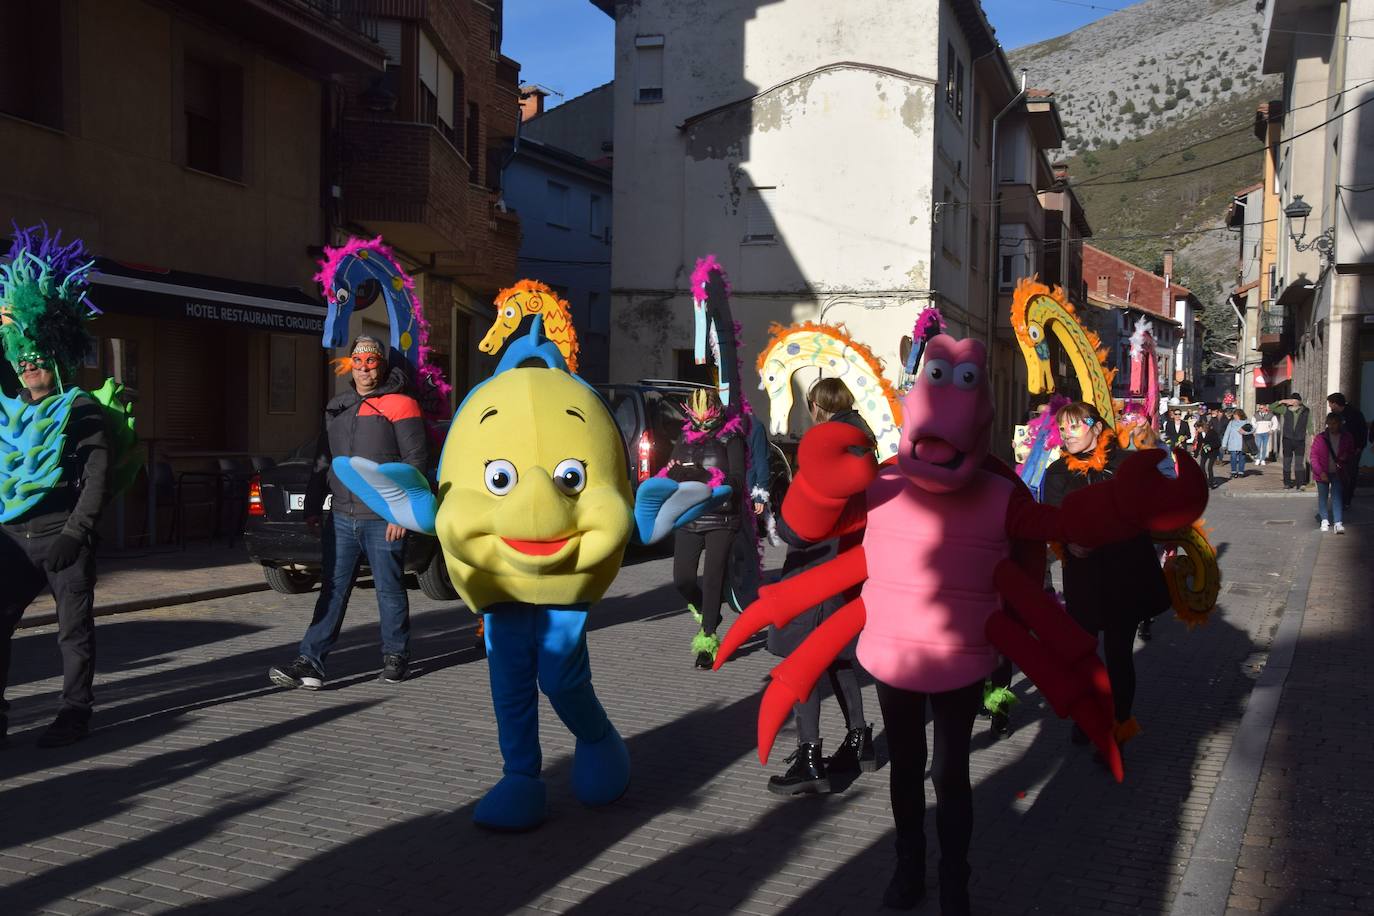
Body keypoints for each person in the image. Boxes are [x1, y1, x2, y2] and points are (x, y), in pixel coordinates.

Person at [0, 226, 113, 749]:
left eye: (39, 359)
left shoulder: (81, 407)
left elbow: (97, 476)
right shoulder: (11, 411)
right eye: (24, 360)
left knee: (73, 631)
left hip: (62, 534)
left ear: (57, 358)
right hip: (12, 537)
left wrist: (77, 531)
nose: (31, 368)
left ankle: (75, 712)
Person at [268, 336, 427, 690]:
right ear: (350, 364)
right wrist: (312, 505)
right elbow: (324, 460)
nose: (365, 368)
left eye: (372, 361)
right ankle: (310, 661)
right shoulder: (337, 406)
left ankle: (396, 655)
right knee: (333, 591)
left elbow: (415, 461)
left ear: (381, 365)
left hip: (383, 517)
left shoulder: (401, 404)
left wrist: (400, 513)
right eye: (358, 361)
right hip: (340, 516)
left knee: (388, 588)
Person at [766, 378, 876, 795]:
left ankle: (810, 759)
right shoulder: (863, 442)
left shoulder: (827, 446)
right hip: (851, 566)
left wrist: (779, 522)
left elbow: (807, 523)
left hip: (817, 569)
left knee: (802, 660)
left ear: (816, 406)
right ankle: (859, 740)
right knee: (839, 656)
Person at [1043, 402, 1172, 750]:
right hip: (1083, 578)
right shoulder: (1056, 473)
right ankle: (1088, 718)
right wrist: (1067, 542)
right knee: (1084, 654)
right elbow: (1054, 518)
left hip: (1123, 575)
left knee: (1118, 654)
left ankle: (1118, 724)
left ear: (1097, 428)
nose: (1068, 433)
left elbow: (1151, 508)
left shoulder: (1126, 465)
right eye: (1063, 427)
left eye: (1075, 426)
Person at [663, 388, 746, 668]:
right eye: (695, 414)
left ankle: (707, 638)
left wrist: (708, 478)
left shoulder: (730, 436)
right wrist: (674, 473)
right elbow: (670, 469)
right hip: (689, 516)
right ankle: (707, 611)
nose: (701, 420)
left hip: (720, 517)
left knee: (713, 579)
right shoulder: (685, 435)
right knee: (682, 579)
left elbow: (736, 480)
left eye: (706, 413)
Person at [1311, 411, 1354, 534]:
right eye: (1329, 424)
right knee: (1323, 497)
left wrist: (1346, 456)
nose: (1331, 426)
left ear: (1340, 424)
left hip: (1338, 472)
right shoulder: (1320, 438)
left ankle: (1338, 522)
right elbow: (1314, 457)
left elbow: (1351, 452)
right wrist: (1320, 472)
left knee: (1337, 497)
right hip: (1322, 472)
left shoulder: (1347, 437)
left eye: (1334, 424)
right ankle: (1324, 520)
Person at [1326, 393, 1367, 510]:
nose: (1330, 407)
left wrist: (1359, 447)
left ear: (1335, 403)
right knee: (1338, 475)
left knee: (1350, 475)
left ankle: (1347, 499)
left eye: (1330, 404)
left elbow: (1362, 431)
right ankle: (1339, 498)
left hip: (1353, 451)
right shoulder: (1334, 416)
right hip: (1336, 451)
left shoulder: (1355, 414)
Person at [1276, 393, 1311, 490]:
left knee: (1299, 463)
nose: (1293, 402)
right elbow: (1272, 407)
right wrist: (1282, 401)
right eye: (1292, 400)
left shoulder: (1306, 411)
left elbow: (1309, 424)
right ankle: (1287, 483)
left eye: (1295, 400)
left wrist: (1312, 435)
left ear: (1299, 401)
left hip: (1300, 440)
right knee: (1287, 462)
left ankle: (1300, 484)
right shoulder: (1285, 409)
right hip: (1287, 439)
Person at [1222, 408, 1251, 480]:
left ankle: (1241, 472)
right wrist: (1224, 444)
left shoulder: (1246, 422)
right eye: (1234, 415)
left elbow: (1252, 430)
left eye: (1235, 414)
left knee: (1242, 458)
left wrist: (1245, 432)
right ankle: (1233, 471)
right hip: (1233, 443)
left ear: (1240, 415)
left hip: (1243, 443)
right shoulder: (1231, 422)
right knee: (1233, 457)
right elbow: (1227, 433)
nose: (1234, 416)